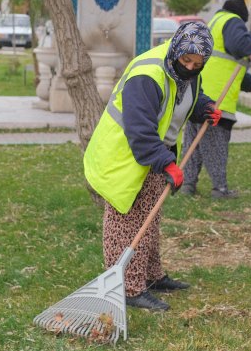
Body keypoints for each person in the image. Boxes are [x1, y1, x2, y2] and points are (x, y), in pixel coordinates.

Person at [84, 22, 222, 311]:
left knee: (150, 218)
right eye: (186, 60)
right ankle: (128, 288)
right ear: (176, 50)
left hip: (154, 155)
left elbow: (183, 100)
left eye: (198, 64)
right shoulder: (148, 75)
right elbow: (141, 130)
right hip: (124, 155)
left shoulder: (188, 72)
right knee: (128, 222)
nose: (191, 67)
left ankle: (150, 276)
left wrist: (205, 107)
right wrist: (166, 164)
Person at [180, 0, 251, 199]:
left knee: (194, 143)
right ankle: (220, 189)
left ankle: (187, 185)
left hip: (198, 93)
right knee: (216, 145)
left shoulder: (214, 23)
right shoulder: (233, 21)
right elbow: (240, 47)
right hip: (218, 98)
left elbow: (228, 65)